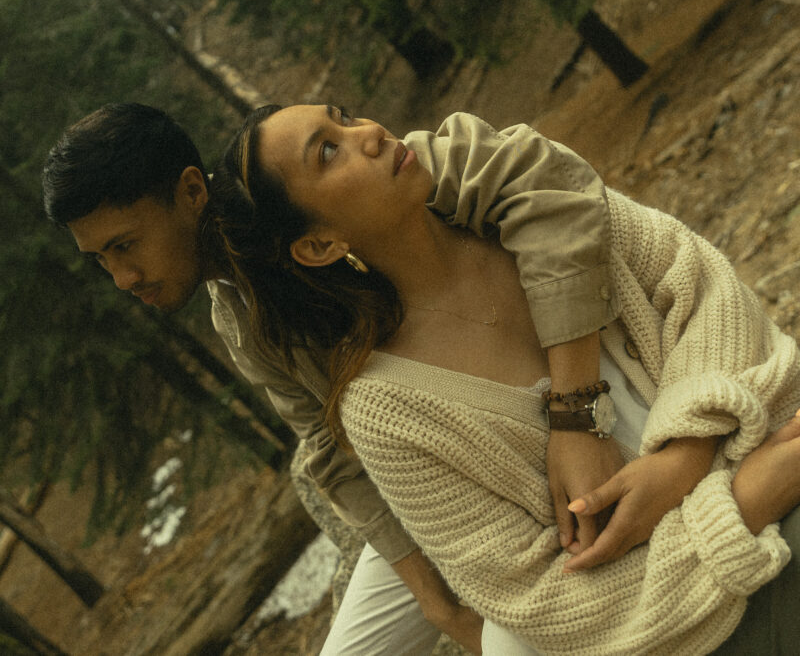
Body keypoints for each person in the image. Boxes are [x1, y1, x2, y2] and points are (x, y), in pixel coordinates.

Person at [43, 103, 713, 653]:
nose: (122, 278)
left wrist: (574, 412)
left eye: (125, 245)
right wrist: (431, 595)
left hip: (534, 407)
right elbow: (328, 443)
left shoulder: (352, 179)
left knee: (536, 633)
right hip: (424, 484)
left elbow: (539, 177)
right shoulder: (237, 316)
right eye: (101, 260)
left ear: (191, 192)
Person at [207, 103, 800, 654]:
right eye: (328, 151)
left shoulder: (540, 206)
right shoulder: (385, 414)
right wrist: (743, 504)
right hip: (701, 623)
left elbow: (711, 299)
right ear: (319, 244)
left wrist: (685, 457)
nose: (369, 134)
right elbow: (547, 602)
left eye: (345, 117)